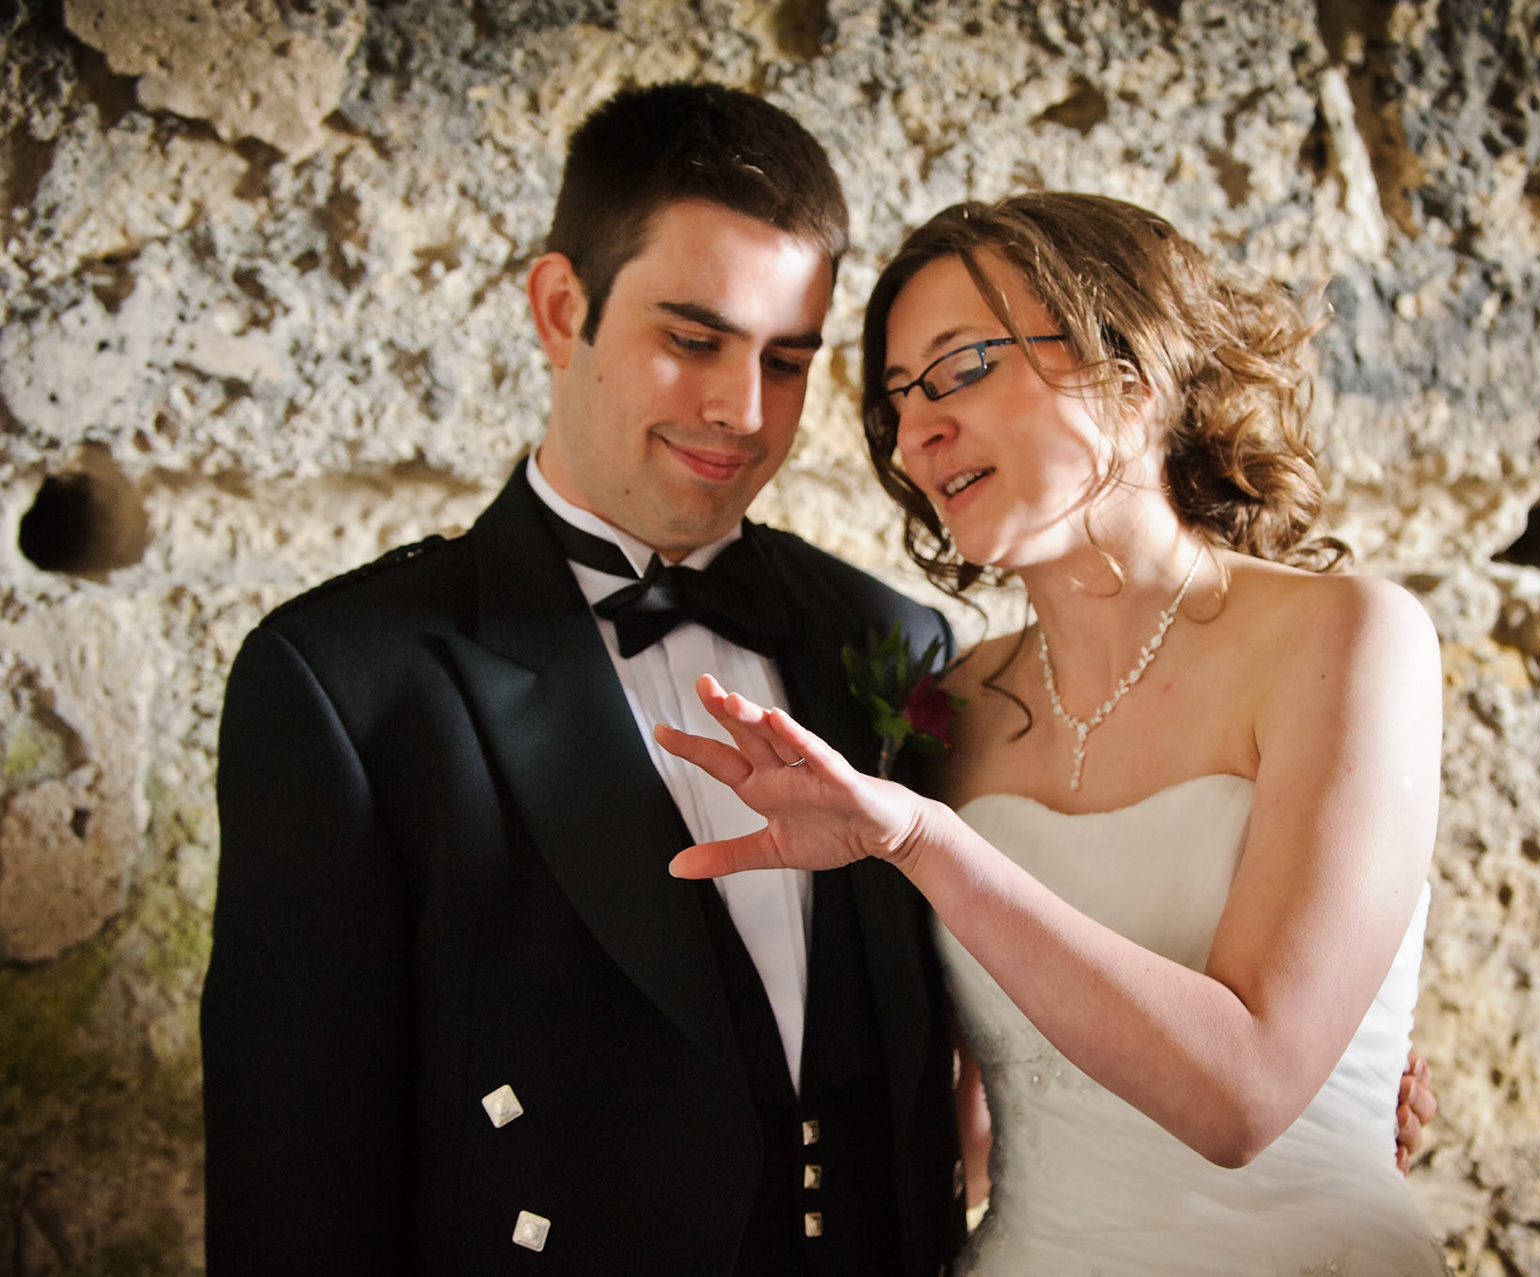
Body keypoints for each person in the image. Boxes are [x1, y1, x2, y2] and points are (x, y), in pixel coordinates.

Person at [199, 83, 968, 1274]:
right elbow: (295, 1170)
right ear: (562, 309)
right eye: (693, 339)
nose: (742, 411)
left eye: (789, 358)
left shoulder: (896, 638)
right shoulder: (346, 682)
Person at [657, 192, 1448, 1274]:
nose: (919, 429)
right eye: (898, 398)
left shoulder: (1351, 637)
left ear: (1134, 370)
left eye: (964, 366)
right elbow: (965, 1126)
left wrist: (927, 844)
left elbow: (1246, 1097)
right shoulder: (954, 705)